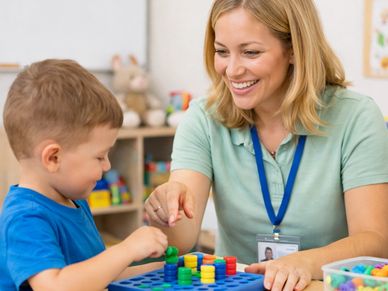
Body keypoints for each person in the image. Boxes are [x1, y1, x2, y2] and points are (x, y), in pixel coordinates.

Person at [144, 0, 388, 290]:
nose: (232, 70)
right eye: (222, 51)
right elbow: (181, 241)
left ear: (295, 49)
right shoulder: (202, 119)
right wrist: (165, 211)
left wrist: (305, 263)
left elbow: (375, 241)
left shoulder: (356, 116)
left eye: (250, 52)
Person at [0, 59, 168, 291]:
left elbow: (97, 276)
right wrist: (126, 249)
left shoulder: (74, 201)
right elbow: (54, 286)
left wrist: (162, 270)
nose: (108, 166)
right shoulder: (25, 219)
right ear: (53, 158)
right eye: (100, 156)